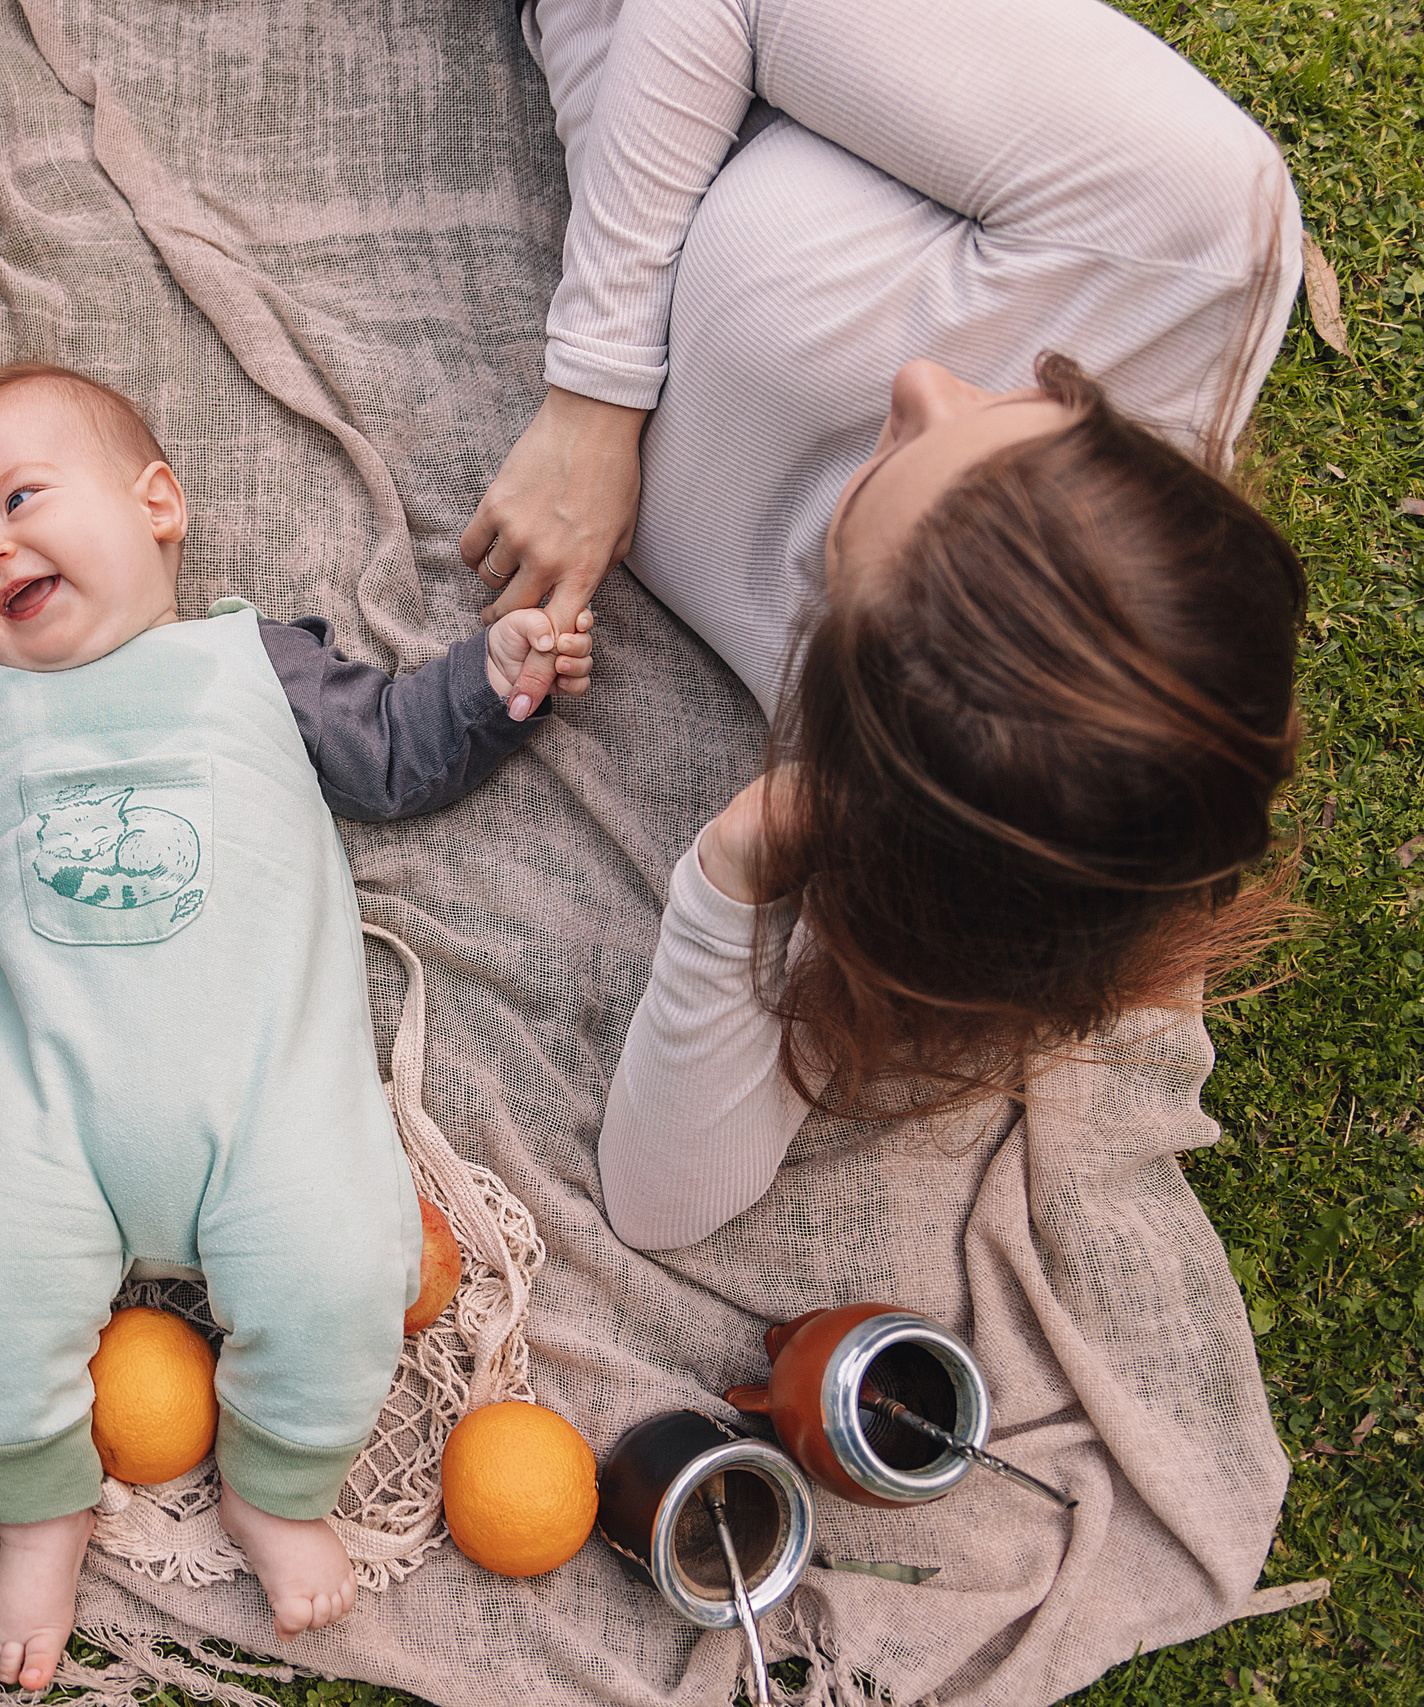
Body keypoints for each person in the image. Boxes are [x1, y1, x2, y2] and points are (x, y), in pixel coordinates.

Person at [0, 363, 589, 1688]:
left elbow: (394, 749)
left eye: (21, 499)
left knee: (347, 1274)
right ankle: (39, 1513)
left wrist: (494, 677)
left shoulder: (251, 662)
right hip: (49, 1124)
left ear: (158, 505)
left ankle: (275, 1487)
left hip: (273, 1108)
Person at [457, 0, 1309, 1248]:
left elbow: (659, 1198)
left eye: (884, 462)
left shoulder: (923, 737)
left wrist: (748, 862)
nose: (921, 382)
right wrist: (592, 396)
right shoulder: (1176, 224)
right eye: (1049, 405)